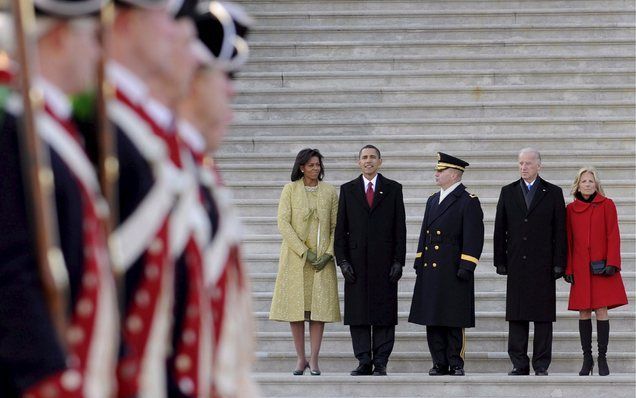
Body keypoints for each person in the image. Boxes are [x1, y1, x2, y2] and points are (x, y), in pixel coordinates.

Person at [0, 0, 119, 396]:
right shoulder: (15, 132)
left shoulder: (54, 126)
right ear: (57, 39)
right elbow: (12, 266)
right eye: (91, 39)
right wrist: (45, 377)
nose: (99, 54)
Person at [408, 153, 484, 376]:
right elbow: (425, 232)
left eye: (440, 171)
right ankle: (438, 361)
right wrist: (419, 259)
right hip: (431, 268)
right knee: (433, 317)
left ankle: (455, 361)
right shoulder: (432, 199)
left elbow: (474, 236)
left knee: (453, 318)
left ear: (453, 174)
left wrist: (467, 265)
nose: (436, 174)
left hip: (453, 268)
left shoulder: (467, 200)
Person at [493, 147, 567, 376]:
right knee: (517, 315)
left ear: (539, 166)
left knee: (543, 317)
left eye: (528, 163)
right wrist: (500, 260)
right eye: (520, 163)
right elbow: (500, 228)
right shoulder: (508, 191)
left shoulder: (553, 192)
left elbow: (560, 231)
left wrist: (559, 262)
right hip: (517, 262)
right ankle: (519, 363)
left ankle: (541, 364)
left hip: (543, 263)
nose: (523, 167)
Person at [334, 145, 406, 376]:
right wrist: (342, 261)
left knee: (384, 313)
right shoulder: (348, 190)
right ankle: (364, 360)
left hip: (384, 263)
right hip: (355, 263)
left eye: (372, 157)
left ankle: (381, 362)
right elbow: (341, 229)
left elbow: (400, 228)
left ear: (380, 161)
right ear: (358, 162)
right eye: (364, 157)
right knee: (359, 314)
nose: (368, 161)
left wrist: (398, 260)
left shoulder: (393, 189)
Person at [270, 148, 341, 376]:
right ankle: (300, 359)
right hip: (295, 259)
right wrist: (304, 252)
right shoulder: (290, 190)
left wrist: (328, 253)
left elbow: (336, 227)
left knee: (318, 311)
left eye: (318, 165)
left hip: (322, 259)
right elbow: (283, 224)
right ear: (301, 167)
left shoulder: (330, 192)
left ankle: (314, 359)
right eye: (310, 165)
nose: (315, 169)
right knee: (297, 311)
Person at [564, 166, 627, 376]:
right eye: (584, 181)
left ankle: (602, 358)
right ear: (578, 184)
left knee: (601, 310)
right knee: (583, 311)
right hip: (581, 268)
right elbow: (569, 241)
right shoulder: (571, 209)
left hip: (602, 267)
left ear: (596, 184)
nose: (588, 185)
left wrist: (613, 262)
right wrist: (569, 267)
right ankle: (587, 358)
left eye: (591, 181)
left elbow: (613, 234)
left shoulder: (607, 205)